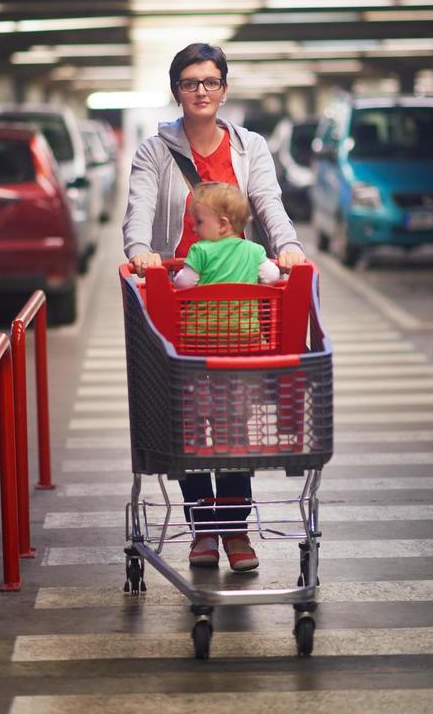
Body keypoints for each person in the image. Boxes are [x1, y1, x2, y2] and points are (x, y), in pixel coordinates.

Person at [123, 41, 306, 572]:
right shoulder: (154, 151)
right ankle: (203, 528)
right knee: (183, 419)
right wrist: (140, 253)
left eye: (210, 81)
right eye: (189, 82)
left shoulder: (250, 147)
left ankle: (234, 530)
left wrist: (287, 244)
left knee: (232, 424)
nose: (201, 91)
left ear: (224, 88)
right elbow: (139, 209)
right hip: (174, 303)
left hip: (238, 309)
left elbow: (269, 202)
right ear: (176, 90)